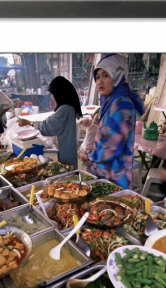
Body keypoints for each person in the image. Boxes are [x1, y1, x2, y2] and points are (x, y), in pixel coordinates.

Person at [82, 53, 144, 189]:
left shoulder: (122, 105)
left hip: (113, 180)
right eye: (97, 77)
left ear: (118, 76)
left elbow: (110, 148)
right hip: (104, 175)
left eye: (105, 75)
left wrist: (87, 155)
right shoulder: (110, 102)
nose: (100, 81)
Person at [17, 75, 82, 168]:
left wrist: (29, 123)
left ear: (59, 94)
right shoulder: (67, 108)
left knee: (68, 171)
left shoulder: (65, 109)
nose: (52, 97)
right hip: (67, 148)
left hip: (67, 151)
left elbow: (48, 126)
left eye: (52, 94)